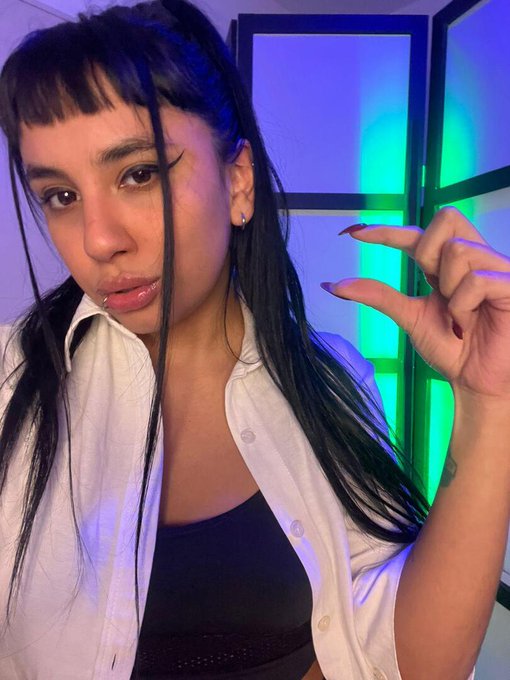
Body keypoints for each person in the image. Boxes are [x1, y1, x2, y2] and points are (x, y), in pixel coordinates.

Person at [0, 1, 508, 678]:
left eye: (139, 173)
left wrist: (491, 402)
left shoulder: (330, 383)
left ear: (238, 181)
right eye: (60, 196)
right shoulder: (9, 382)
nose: (98, 240)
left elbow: (412, 661)